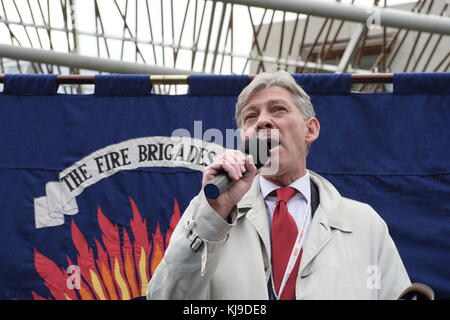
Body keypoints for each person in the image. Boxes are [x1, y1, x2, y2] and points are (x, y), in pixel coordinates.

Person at [146, 71, 411, 300]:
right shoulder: (208, 212)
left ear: (311, 130)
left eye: (278, 109)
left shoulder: (364, 224)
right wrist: (212, 220)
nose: (262, 121)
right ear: (244, 138)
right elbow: (167, 295)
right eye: (251, 117)